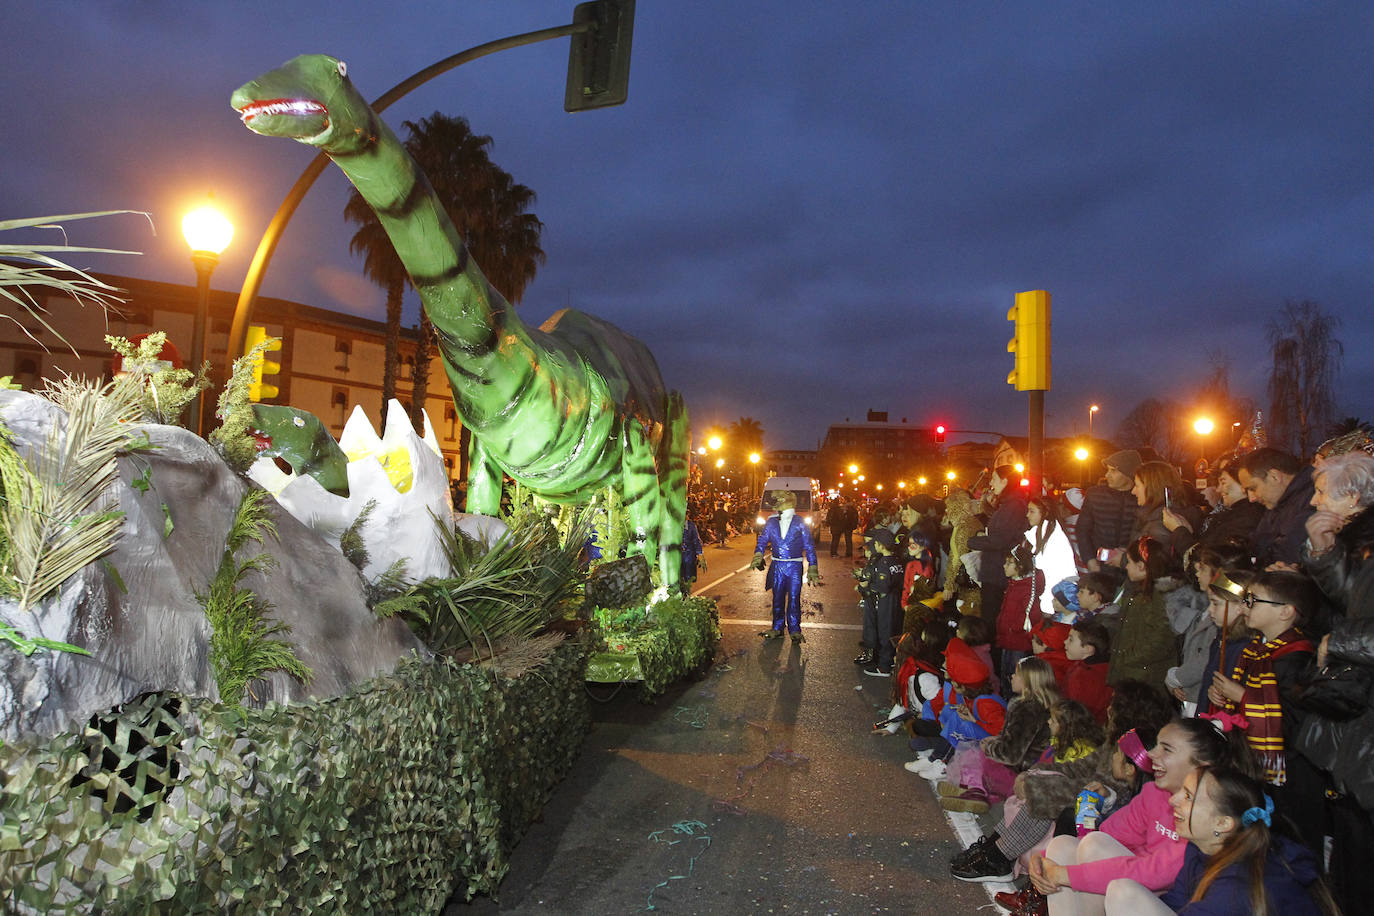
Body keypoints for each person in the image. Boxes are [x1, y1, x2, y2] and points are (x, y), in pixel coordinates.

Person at [1026, 717, 1254, 916]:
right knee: (1064, 845)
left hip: (1163, 899)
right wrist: (1043, 861)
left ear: (1202, 766)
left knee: (1110, 872)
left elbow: (1153, 873)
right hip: (1147, 890)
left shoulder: (1205, 817)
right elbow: (1110, 833)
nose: (1151, 754)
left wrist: (1064, 874)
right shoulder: (1155, 792)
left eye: (1167, 750)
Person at [1102, 766, 1334, 915]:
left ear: (1223, 824)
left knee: (1125, 894)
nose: (1173, 801)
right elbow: (1176, 902)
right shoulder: (1201, 849)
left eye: (1188, 797)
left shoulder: (1235, 888)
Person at [939, 655, 1059, 814]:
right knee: (978, 749)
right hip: (1030, 768)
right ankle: (977, 791)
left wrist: (989, 745)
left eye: (1016, 674)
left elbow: (1011, 755)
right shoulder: (1037, 705)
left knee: (981, 754)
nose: (1012, 677)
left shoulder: (1027, 709)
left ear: (1028, 681)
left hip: (1023, 772)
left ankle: (978, 792)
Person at [1107, 537, 1183, 689]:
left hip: (1145, 681)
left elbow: (1161, 641)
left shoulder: (1163, 596)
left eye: (1129, 562)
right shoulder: (1141, 590)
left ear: (1141, 566)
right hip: (1133, 675)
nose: (1126, 567)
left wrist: (1127, 658)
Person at [750, 490, 819, 642]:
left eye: (779, 500)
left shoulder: (799, 522)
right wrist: (758, 554)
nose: (776, 503)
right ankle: (777, 627)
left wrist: (813, 566)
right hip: (777, 565)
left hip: (795, 565)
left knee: (794, 597)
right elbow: (762, 540)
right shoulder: (772, 522)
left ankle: (794, 629)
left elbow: (809, 545)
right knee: (778, 597)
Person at [969, 465, 1031, 630]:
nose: (991, 483)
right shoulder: (1008, 504)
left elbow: (999, 540)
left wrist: (973, 541)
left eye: (994, 479)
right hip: (996, 569)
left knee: (992, 619)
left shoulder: (1013, 506)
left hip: (998, 572)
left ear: (1005, 481)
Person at [1237, 448, 1315, 568]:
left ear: (1274, 476)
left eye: (1253, 488)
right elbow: (1256, 543)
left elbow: (1288, 554)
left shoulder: (1312, 499)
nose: (1252, 498)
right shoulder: (1277, 503)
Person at [1077, 450, 1142, 572]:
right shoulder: (1095, 494)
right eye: (1107, 470)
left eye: (1113, 471)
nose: (1107, 475)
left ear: (1128, 474)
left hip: (1131, 569)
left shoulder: (1142, 498)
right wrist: (1089, 559)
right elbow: (1082, 529)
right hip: (1100, 568)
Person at [854, 527, 906, 675]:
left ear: (881, 545)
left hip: (885, 602)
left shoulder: (883, 563)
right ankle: (888, 661)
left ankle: (884, 666)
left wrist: (863, 587)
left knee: (885, 632)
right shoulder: (896, 561)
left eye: (875, 543)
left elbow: (881, 588)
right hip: (895, 599)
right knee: (891, 630)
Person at [997, 542, 1047, 685]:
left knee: (1015, 678)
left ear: (1020, 566)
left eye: (1009, 563)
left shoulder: (1026, 589)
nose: (1004, 566)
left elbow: (1033, 615)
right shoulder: (1014, 584)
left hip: (1019, 642)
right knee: (1006, 675)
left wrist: (1016, 628)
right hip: (1008, 639)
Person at [1028, 497, 1080, 620]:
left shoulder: (1054, 538)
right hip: (1052, 601)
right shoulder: (1042, 534)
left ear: (1044, 513)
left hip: (1056, 603)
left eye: (1031, 511)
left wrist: (1047, 606)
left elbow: (1053, 575)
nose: (1027, 515)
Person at [679, 517, 705, 594]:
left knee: (688, 576)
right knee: (679, 576)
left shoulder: (691, 525)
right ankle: (683, 593)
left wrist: (699, 553)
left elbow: (696, 540)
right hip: (677, 555)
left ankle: (687, 593)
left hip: (689, 555)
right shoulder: (674, 525)